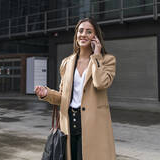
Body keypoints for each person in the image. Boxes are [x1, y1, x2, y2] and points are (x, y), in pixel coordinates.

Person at [35, 17, 116, 160]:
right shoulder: (66, 63)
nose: (83, 34)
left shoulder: (107, 60)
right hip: (69, 124)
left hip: (93, 125)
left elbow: (100, 83)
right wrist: (47, 93)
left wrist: (96, 56)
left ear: (95, 37)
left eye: (89, 31)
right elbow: (62, 97)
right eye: (80, 31)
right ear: (76, 34)